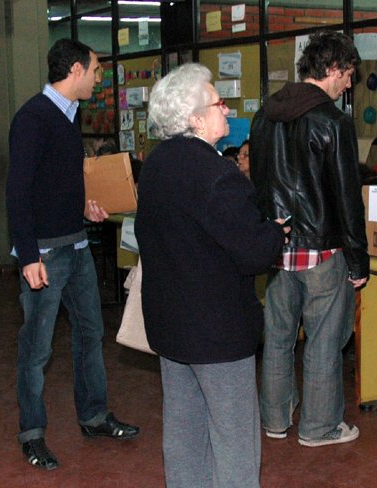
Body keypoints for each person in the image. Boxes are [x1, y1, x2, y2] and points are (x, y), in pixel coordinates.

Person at [136, 63, 286, 488]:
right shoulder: (218, 175)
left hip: (171, 326)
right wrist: (274, 233)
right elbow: (254, 253)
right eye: (219, 102)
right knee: (234, 436)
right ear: (195, 118)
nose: (227, 109)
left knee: (183, 430)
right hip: (217, 332)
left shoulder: (157, 165)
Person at [6, 38, 139, 471]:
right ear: (77, 70)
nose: (100, 79)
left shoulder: (68, 116)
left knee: (89, 335)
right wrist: (28, 256)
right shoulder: (33, 118)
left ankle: (94, 416)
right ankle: (32, 433)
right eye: (97, 70)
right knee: (37, 348)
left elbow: (57, 183)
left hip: (76, 245)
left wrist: (84, 205)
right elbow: (18, 192)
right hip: (45, 252)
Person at [250, 30, 369, 447]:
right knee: (323, 343)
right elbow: (346, 196)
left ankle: (275, 421)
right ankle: (319, 428)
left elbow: (258, 182)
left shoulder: (264, 116)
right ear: (333, 69)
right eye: (349, 74)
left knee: (279, 338)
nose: (350, 84)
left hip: (275, 247)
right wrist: (359, 261)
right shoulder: (333, 122)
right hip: (322, 249)